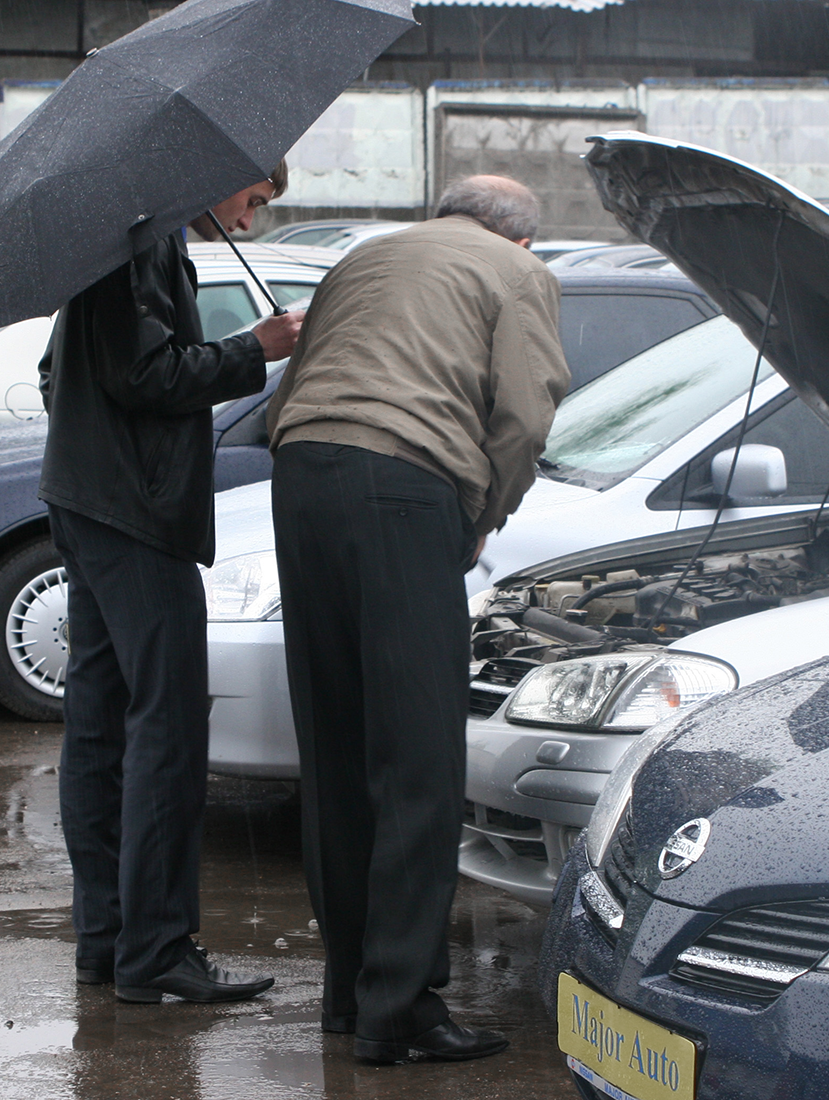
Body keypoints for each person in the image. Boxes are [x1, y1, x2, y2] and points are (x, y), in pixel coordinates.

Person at [265, 175, 569, 1062]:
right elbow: (522, 413)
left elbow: (290, 395)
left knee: (335, 747)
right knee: (418, 760)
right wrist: (480, 516)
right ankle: (398, 1012)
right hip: (402, 488)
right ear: (518, 238)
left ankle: (350, 991)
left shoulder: (364, 255)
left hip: (302, 476)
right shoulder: (517, 275)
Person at [38, 164, 304, 1005]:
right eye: (252, 200)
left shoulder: (121, 244)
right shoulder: (140, 245)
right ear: (220, 178)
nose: (251, 221)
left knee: (104, 721)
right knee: (167, 724)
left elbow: (62, 375)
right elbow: (144, 376)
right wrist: (252, 351)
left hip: (95, 502)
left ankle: (110, 940)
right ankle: (153, 950)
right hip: (133, 515)